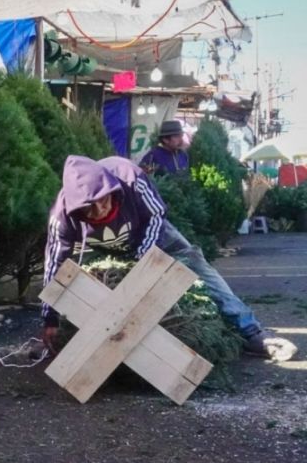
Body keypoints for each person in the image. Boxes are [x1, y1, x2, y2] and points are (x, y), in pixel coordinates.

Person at [40, 155, 297, 362]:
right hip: (102, 249)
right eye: (89, 209)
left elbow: (156, 215)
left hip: (150, 235)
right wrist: (50, 319)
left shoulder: (129, 177)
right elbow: (54, 263)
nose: (99, 211)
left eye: (102, 201)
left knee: (198, 267)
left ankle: (251, 332)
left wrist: (142, 260)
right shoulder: (62, 215)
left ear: (110, 190)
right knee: (83, 291)